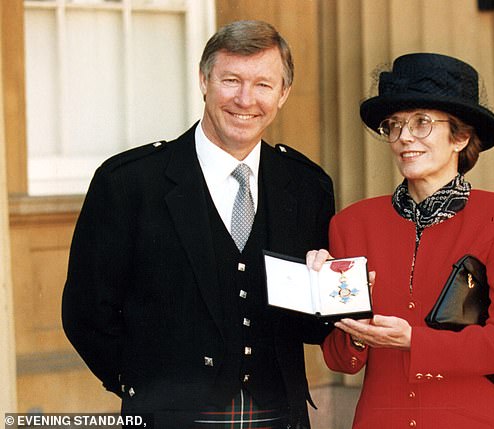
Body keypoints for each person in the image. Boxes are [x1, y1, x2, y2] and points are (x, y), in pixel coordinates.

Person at [62, 20, 334, 429]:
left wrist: (334, 294)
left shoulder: (308, 186)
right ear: (204, 80)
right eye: (231, 80)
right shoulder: (129, 183)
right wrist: (146, 389)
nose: (246, 99)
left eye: (263, 84)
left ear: (283, 93)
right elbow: (87, 313)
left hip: (277, 414)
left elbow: (313, 323)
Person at [307, 53, 494, 428]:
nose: (403, 138)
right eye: (394, 125)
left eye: (422, 123)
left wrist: (413, 340)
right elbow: (340, 360)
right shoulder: (351, 223)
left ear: (461, 137)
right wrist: (346, 313)